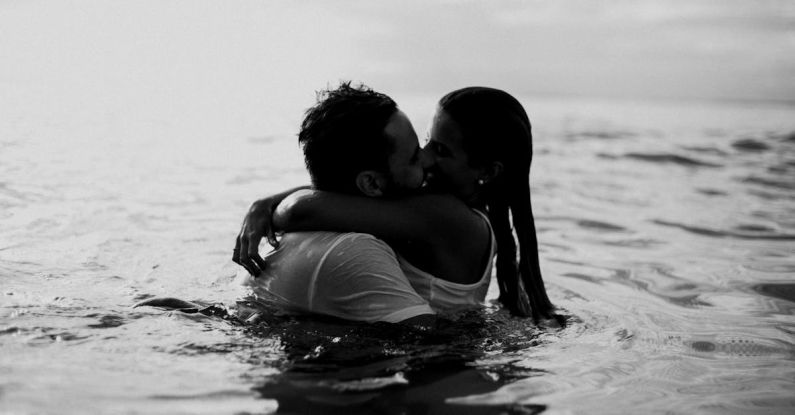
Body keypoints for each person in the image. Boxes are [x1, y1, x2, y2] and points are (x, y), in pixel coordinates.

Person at [235, 86, 555, 321]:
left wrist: (268, 205)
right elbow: (351, 194)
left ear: (486, 171)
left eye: (441, 151)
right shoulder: (440, 209)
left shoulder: (446, 217)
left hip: (432, 361)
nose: (426, 158)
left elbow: (305, 209)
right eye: (427, 142)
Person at [236, 82, 439, 326]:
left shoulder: (285, 236)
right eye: (414, 157)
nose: (428, 159)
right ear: (371, 184)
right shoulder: (355, 249)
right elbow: (428, 340)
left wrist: (266, 203)